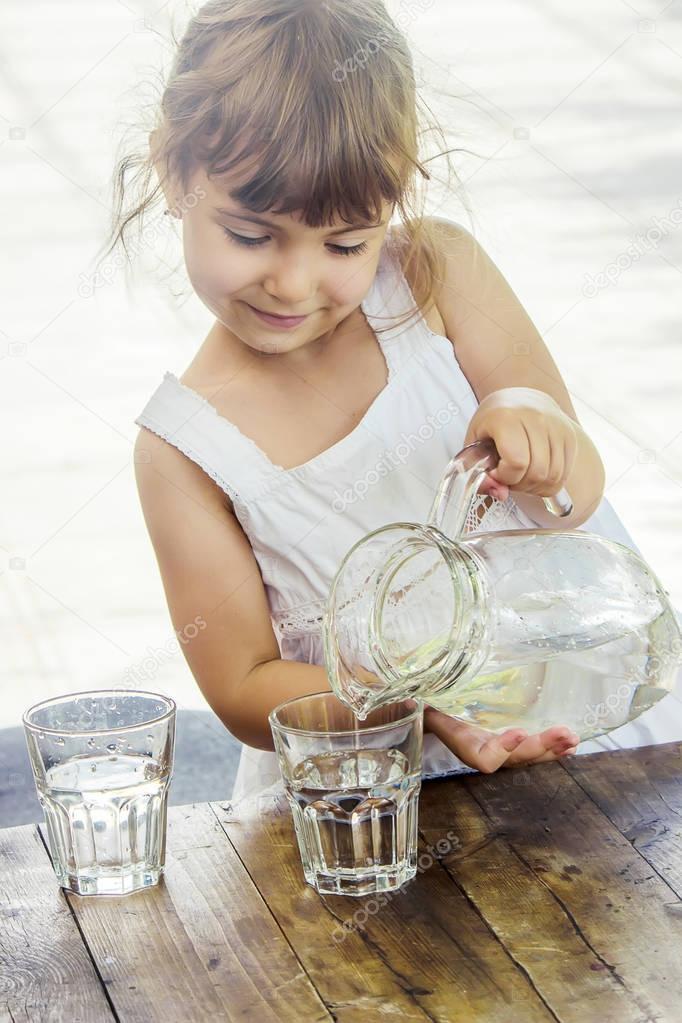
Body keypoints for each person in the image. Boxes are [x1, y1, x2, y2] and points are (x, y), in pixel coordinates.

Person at [104, 0, 681, 804]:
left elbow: (573, 502)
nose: (295, 283)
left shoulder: (436, 280)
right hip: (368, 798)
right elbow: (242, 686)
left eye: (345, 244)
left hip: (591, 737)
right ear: (176, 176)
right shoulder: (183, 449)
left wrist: (544, 439)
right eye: (250, 235)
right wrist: (412, 698)